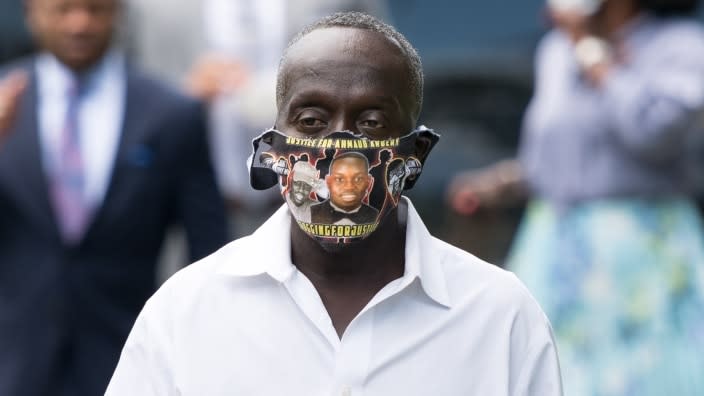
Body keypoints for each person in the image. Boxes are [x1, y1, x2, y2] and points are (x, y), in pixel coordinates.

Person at [106, 12, 562, 395]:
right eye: (311, 119)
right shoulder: (186, 312)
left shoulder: (499, 316)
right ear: (272, 147)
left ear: (415, 153)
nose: (340, 143)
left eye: (371, 121)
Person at [448, 0, 704, 395]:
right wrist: (496, 186)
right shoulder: (554, 51)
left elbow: (654, 133)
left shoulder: (680, 47)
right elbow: (547, 157)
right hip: (558, 247)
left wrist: (591, 51)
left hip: (643, 251)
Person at [0, 0, 228, 395]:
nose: (79, 24)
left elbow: (207, 252)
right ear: (31, 13)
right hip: (14, 361)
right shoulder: (5, 101)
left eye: (95, 9)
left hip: (129, 357)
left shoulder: (171, 113)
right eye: (63, 10)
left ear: (119, 13)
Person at [310, 152, 379, 225]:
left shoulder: (376, 215)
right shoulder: (311, 212)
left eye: (358, 179)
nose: (349, 187)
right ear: (328, 182)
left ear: (368, 182)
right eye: (339, 179)